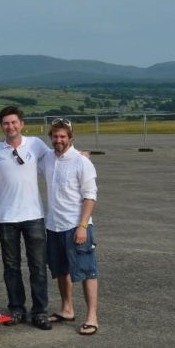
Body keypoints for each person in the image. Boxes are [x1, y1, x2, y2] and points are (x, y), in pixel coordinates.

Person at [0, 106, 52, 330]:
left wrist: (79, 155)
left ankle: (40, 311)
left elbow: (57, 158)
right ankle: (16, 308)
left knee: (38, 266)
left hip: (33, 214)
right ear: (1, 126)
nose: (10, 126)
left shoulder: (35, 144)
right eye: (6, 123)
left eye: (14, 122)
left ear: (22, 124)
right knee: (11, 266)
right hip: (6, 217)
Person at [39, 119, 100, 336]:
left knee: (87, 271)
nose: (59, 140)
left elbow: (90, 196)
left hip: (76, 226)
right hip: (54, 226)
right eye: (55, 136)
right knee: (61, 270)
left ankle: (92, 317)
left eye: (63, 136)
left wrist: (83, 226)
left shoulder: (81, 162)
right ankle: (67, 309)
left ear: (70, 138)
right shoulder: (47, 158)